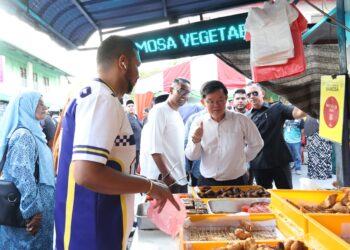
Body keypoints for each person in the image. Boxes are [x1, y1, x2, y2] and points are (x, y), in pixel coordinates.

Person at [54, 36, 179, 250]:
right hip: (93, 231)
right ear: (123, 62)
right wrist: (149, 186)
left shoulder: (95, 96)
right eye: (137, 65)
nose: (138, 73)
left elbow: (110, 162)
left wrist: (146, 182)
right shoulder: (101, 99)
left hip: (93, 226)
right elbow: (87, 173)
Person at [0, 91, 55, 250]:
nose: (45, 107)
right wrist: (33, 211)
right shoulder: (23, 135)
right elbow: (23, 176)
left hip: (35, 212)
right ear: (26, 107)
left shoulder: (34, 133)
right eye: (39, 103)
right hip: (27, 216)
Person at [185, 81, 263, 186]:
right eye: (210, 101)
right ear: (203, 102)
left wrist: (243, 158)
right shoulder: (198, 122)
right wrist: (196, 140)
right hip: (207, 181)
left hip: (237, 180)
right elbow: (192, 156)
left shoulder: (241, 120)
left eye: (220, 100)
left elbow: (257, 143)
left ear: (226, 99)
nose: (216, 105)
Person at [245, 83, 306, 189]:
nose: (252, 96)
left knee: (286, 194)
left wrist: (305, 98)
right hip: (259, 164)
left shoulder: (277, 108)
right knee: (264, 197)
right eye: (248, 95)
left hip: (280, 160)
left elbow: (298, 113)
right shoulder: (246, 117)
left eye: (254, 93)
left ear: (262, 93)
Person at [140, 78, 190, 193]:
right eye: (181, 91)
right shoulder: (159, 110)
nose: (184, 96)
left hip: (179, 178)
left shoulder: (176, 113)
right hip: (164, 180)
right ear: (171, 90)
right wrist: (166, 175)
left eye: (187, 93)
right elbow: (154, 148)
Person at [304, 115, 333, 179]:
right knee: (321, 156)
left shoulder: (309, 116)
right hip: (319, 138)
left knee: (313, 157)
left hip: (313, 137)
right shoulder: (320, 115)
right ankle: (322, 174)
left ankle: (314, 173)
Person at [125, 99, 142, 174]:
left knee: (136, 164)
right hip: (132, 147)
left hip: (139, 146)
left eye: (132, 106)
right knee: (132, 166)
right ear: (126, 108)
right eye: (129, 106)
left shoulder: (136, 117)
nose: (131, 107)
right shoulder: (126, 118)